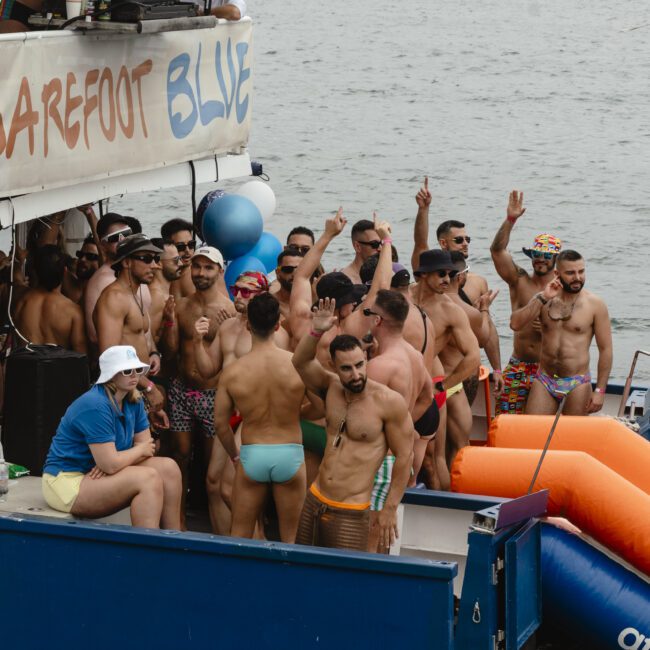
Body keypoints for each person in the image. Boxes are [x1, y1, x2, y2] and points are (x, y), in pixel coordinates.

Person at [292, 303, 414, 552]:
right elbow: (300, 361)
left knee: (344, 584)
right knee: (303, 572)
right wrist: (316, 331)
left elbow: (405, 456)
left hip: (351, 510)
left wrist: (389, 509)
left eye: (360, 365)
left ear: (367, 358)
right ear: (334, 367)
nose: (356, 374)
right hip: (315, 497)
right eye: (346, 368)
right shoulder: (331, 388)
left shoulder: (388, 402)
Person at [42, 345, 182, 529]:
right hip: (67, 480)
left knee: (169, 468)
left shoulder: (134, 398)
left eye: (138, 370)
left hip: (95, 472)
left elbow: (146, 451)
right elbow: (131, 453)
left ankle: (173, 540)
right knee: (147, 478)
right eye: (126, 370)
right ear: (111, 374)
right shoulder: (95, 404)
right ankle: (147, 550)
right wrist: (120, 459)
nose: (134, 375)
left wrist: (115, 462)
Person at [193, 270, 287, 532]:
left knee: (230, 488)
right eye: (236, 290)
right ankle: (226, 542)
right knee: (212, 482)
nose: (239, 296)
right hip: (226, 412)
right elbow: (208, 370)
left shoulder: (273, 333)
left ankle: (254, 541)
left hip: (251, 414)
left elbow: (283, 376)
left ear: (262, 295)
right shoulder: (226, 327)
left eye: (247, 291)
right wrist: (197, 341)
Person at [214, 293, 306, 543]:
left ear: (247, 325)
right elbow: (318, 406)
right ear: (278, 325)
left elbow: (221, 424)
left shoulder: (233, 372)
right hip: (290, 453)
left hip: (253, 451)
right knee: (291, 539)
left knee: (240, 537)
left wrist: (234, 454)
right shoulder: (295, 364)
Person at [160, 245, 235, 531]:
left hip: (213, 394)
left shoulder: (227, 310)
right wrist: (168, 322)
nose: (201, 273)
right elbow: (169, 353)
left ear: (220, 271)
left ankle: (217, 526)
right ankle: (177, 521)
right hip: (181, 390)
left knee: (211, 462)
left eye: (208, 267)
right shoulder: (182, 305)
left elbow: (232, 358)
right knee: (179, 456)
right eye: (197, 267)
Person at [411, 177, 502, 387]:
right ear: (443, 243)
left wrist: (497, 369)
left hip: (463, 372)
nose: (465, 244)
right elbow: (420, 244)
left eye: (467, 239)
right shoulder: (428, 277)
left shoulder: (477, 282)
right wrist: (423, 210)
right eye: (459, 240)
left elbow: (487, 331)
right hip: (436, 372)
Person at [363, 289, 435, 552]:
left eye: (369, 314)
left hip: (382, 460)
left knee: (369, 542)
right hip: (400, 457)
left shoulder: (380, 366)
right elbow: (428, 397)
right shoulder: (414, 355)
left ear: (378, 321)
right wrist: (405, 425)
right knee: (380, 540)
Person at [510, 250, 612, 415]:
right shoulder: (544, 299)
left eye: (581, 271)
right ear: (557, 274)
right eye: (571, 273)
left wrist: (600, 391)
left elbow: (606, 349)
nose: (577, 277)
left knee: (573, 436)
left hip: (577, 382)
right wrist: (543, 297)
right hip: (545, 379)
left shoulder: (595, 305)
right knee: (535, 432)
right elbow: (515, 324)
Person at [490, 190, 563, 414]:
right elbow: (497, 250)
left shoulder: (565, 288)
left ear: (556, 259)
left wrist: (554, 327)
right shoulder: (519, 279)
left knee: (542, 426)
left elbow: (579, 327)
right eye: (536, 254)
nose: (540, 259)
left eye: (546, 255)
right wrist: (510, 220)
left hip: (550, 369)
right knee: (505, 418)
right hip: (519, 363)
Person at [413, 249, 480, 485]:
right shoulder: (402, 299)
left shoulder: (451, 311)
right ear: (422, 275)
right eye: (441, 274)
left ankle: (441, 507)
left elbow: (473, 356)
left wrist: (444, 386)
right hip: (402, 385)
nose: (447, 280)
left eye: (450, 274)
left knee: (434, 459)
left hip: (433, 386)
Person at [93, 234, 166, 421]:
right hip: (120, 392)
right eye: (146, 259)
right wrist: (149, 387)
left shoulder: (134, 294)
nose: (155, 265)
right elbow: (110, 356)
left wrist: (153, 353)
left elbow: (137, 338)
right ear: (126, 263)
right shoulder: (114, 298)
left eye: (155, 259)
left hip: (134, 389)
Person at [85, 213, 152, 345]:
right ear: (103, 245)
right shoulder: (100, 282)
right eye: (115, 238)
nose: (123, 240)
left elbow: (144, 326)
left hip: (147, 361)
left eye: (127, 233)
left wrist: (154, 351)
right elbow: (94, 335)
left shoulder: (138, 273)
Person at [13, 245, 87, 354]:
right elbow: (81, 356)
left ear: (35, 271)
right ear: (65, 271)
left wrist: (19, 263)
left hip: (25, 369)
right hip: (58, 370)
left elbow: (16, 281)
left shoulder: (21, 302)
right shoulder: (73, 312)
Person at [148, 238, 182, 344]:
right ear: (158, 263)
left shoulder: (163, 293)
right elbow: (149, 340)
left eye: (180, 259)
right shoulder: (156, 297)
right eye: (176, 260)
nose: (181, 263)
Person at [161, 218, 197, 300]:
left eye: (191, 244)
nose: (187, 250)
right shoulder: (160, 275)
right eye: (180, 246)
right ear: (168, 246)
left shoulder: (202, 275)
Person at [340, 218, 382, 283]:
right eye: (375, 244)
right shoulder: (346, 280)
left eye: (382, 243)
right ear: (357, 246)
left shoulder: (388, 272)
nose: (380, 248)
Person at [62, 234, 100, 305]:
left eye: (90, 256)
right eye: (80, 255)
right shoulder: (67, 282)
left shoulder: (104, 292)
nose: (82, 259)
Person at [270, 246, 304, 319]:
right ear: (278, 273)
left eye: (300, 269)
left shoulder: (314, 301)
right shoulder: (268, 303)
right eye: (288, 269)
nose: (295, 274)